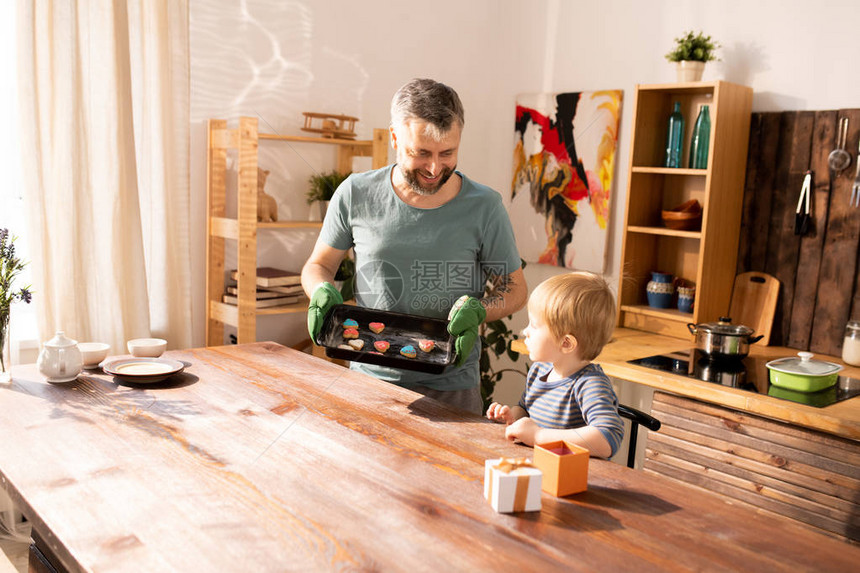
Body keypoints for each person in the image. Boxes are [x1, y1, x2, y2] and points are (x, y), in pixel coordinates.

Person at [301, 78, 528, 415]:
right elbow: (319, 265)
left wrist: (481, 309)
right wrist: (320, 290)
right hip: (369, 381)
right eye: (421, 153)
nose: (435, 168)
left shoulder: (485, 207)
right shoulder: (355, 193)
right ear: (395, 138)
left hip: (453, 386)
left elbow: (514, 288)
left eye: (447, 153)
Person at [486, 271, 624, 458]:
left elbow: (608, 439)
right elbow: (525, 409)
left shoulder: (589, 384)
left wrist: (538, 435)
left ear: (566, 343)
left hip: (572, 479)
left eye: (534, 325)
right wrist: (513, 418)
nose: (525, 331)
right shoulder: (540, 370)